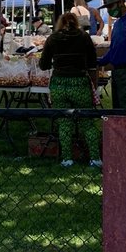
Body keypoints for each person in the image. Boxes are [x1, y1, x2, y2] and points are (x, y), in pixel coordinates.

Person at [39, 12, 102, 168]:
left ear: (60, 23)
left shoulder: (52, 38)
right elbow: (93, 63)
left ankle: (67, 159)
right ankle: (95, 158)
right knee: (87, 122)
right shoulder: (84, 37)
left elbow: (43, 65)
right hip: (79, 83)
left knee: (64, 122)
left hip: (59, 84)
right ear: (77, 22)